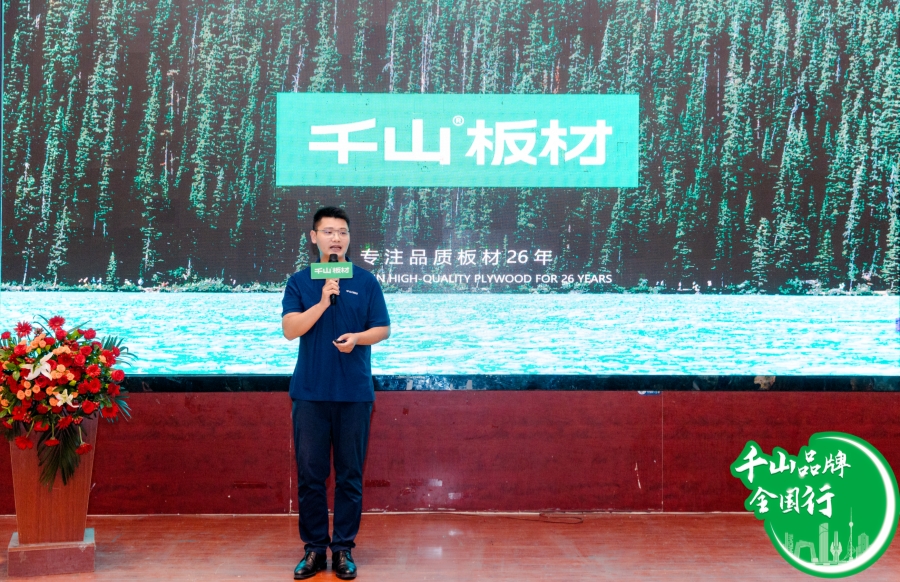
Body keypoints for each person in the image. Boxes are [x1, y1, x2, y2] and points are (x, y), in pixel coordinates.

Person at [281, 206, 391, 580]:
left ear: (348, 238)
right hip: (310, 394)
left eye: (342, 232)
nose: (336, 238)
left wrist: (358, 338)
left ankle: (343, 549)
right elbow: (290, 330)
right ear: (314, 237)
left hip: (354, 393)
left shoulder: (366, 281)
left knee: (349, 476)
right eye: (328, 232)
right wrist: (322, 301)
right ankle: (314, 549)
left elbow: (383, 329)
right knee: (311, 476)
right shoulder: (300, 282)